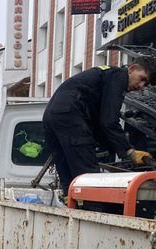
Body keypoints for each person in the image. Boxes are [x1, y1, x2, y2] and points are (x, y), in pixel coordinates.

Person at [44, 57, 156, 195]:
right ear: (132, 69)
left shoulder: (103, 78)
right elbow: (109, 121)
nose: (140, 86)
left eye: (145, 85)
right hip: (71, 115)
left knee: (68, 173)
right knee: (88, 178)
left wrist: (114, 147)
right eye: (142, 78)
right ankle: (91, 209)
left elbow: (100, 123)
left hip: (52, 116)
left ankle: (71, 203)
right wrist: (128, 151)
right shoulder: (119, 76)